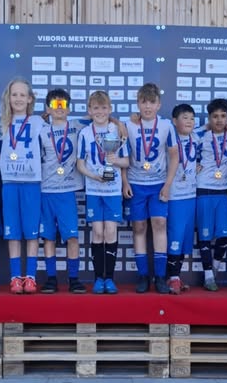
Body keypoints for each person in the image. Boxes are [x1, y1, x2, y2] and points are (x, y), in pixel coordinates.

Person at [122, 83, 178, 294]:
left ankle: (160, 276)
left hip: (158, 184)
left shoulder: (166, 126)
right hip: (136, 183)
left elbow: (174, 156)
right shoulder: (128, 125)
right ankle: (143, 275)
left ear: (159, 105)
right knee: (138, 227)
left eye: (151, 102)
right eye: (143, 102)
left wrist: (168, 184)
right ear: (138, 103)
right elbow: (123, 154)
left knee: (160, 224)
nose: (147, 106)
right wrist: (125, 182)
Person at [77, 91, 130, 294]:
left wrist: (115, 160)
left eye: (104, 108)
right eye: (96, 108)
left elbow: (127, 162)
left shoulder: (117, 130)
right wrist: (93, 176)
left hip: (113, 191)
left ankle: (110, 279)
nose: (100, 112)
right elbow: (80, 164)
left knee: (110, 232)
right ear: (89, 110)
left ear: (110, 109)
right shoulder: (85, 133)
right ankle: (98, 278)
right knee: (98, 233)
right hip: (94, 190)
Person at [0, 77, 45, 294]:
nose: (18, 99)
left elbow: (67, 126)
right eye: (14, 94)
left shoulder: (38, 122)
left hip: (32, 183)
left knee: (32, 232)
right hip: (9, 183)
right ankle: (15, 277)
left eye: (22, 95)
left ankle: (30, 277)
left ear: (30, 99)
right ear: (8, 98)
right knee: (13, 232)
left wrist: (118, 123)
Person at [39, 89, 87, 294]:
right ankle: (51, 279)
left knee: (72, 237)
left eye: (63, 105)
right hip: (46, 190)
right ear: (48, 108)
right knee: (48, 237)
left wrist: (123, 121)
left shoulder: (77, 126)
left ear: (69, 108)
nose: (59, 108)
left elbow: (100, 115)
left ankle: (73, 279)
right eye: (55, 105)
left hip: (68, 190)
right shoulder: (40, 130)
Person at [195, 99, 227, 291]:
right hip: (204, 189)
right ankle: (208, 276)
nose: (219, 120)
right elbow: (181, 141)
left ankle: (215, 267)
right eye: (215, 116)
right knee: (204, 236)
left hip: (224, 191)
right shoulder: (201, 135)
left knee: (224, 237)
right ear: (209, 118)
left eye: (223, 116)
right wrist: (192, 164)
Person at [165, 104, 200, 294]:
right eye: (184, 118)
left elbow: (216, 127)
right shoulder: (168, 137)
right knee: (175, 237)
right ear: (174, 121)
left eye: (192, 118)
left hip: (191, 195)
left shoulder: (197, 137)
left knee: (186, 239)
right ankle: (172, 278)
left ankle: (176, 276)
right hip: (174, 196)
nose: (189, 121)